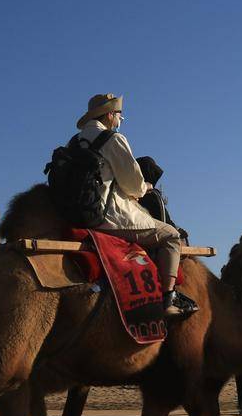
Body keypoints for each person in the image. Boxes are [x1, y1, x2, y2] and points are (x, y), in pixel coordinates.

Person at [75, 93, 195, 317]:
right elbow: (134, 185)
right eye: (120, 116)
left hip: (77, 213)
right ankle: (169, 298)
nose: (120, 121)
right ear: (110, 115)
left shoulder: (77, 141)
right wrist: (147, 187)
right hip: (107, 216)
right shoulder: (112, 139)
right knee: (170, 235)